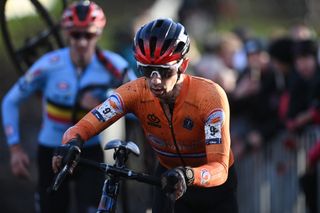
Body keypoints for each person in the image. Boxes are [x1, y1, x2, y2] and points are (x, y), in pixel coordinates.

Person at [52, 18, 238, 213]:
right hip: (169, 180)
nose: (155, 81)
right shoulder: (135, 92)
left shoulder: (209, 97)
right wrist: (71, 143)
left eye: (164, 71)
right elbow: (86, 124)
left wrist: (189, 175)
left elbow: (219, 167)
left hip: (212, 188)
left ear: (183, 65)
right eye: (147, 70)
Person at [2, 1, 134, 213]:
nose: (82, 42)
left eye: (88, 35)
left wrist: (107, 100)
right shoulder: (49, 64)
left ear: (99, 33)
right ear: (66, 34)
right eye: (75, 35)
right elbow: (10, 101)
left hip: (89, 152)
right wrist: (15, 148)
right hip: (50, 150)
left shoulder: (113, 64)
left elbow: (140, 101)